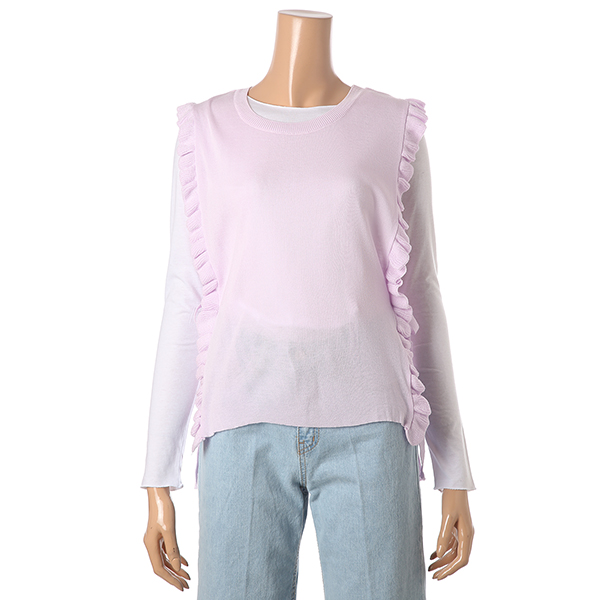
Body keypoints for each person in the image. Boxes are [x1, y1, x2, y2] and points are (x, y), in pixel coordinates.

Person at [141, 9, 476, 598]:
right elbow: (185, 292)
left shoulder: (392, 125)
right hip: (241, 423)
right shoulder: (207, 130)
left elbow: (420, 290)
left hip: (373, 428)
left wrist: (454, 468)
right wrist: (156, 474)